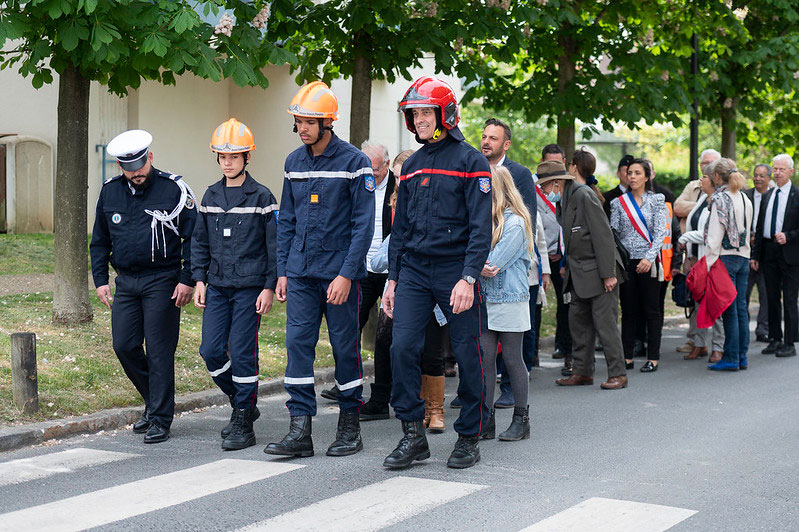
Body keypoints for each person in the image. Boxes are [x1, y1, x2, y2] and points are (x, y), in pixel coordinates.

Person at [382, 76, 491, 470]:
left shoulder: (471, 162)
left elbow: (481, 229)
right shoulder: (410, 165)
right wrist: (392, 279)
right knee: (401, 348)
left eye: (426, 112)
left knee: (465, 351)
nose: (420, 119)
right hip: (412, 270)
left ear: (445, 113)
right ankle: (413, 435)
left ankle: (469, 436)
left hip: (454, 270)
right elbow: (401, 228)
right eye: (415, 114)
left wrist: (468, 277)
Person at [264, 81, 375, 458]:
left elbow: (364, 225)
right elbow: (288, 220)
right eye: (299, 121)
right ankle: (300, 430)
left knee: (345, 349)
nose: (303, 128)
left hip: (339, 276)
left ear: (327, 122)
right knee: (297, 347)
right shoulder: (293, 162)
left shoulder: (355, 162)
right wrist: (282, 271)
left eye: (310, 121)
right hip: (300, 275)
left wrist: (346, 274)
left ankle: (349, 426)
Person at [90, 129, 197, 444]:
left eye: (139, 164)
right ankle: (155, 403)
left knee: (160, 351)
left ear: (150, 157)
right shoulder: (110, 192)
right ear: (120, 166)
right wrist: (100, 280)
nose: (136, 173)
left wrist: (188, 278)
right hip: (126, 280)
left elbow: (194, 237)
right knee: (123, 345)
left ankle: (160, 418)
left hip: (163, 279)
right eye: (128, 167)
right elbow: (99, 241)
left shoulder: (173, 189)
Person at [191, 118, 277, 450]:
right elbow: (199, 243)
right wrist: (199, 280)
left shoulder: (262, 197)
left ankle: (243, 419)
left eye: (235, 156)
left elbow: (274, 247)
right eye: (223, 157)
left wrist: (269, 286)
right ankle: (242, 401)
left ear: (246, 158)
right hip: (218, 287)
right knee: (210, 350)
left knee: (242, 353)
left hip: (250, 288)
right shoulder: (210, 196)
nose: (228, 162)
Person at [322, 140, 397, 422]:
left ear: (387, 165)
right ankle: (347, 384)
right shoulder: (353, 184)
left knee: (384, 336)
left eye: (375, 169)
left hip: (391, 271)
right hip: (361, 269)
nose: (370, 173)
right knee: (347, 328)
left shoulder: (399, 188)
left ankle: (380, 398)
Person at [540, 155, 627, 390]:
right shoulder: (565, 199)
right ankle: (582, 372)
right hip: (578, 272)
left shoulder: (582, 194)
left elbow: (603, 235)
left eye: (546, 186)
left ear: (557, 182)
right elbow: (575, 236)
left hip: (599, 271)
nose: (545, 191)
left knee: (605, 325)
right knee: (578, 322)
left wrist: (608, 273)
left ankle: (618, 374)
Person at [480, 118, 538, 408]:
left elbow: (492, 262)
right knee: (486, 358)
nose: (486, 141)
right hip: (486, 296)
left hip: (510, 293)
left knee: (513, 357)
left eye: (493, 137)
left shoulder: (515, 221)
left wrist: (474, 263)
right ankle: (486, 416)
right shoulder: (484, 218)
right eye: (484, 135)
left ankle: (520, 415)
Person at [610, 158, 667, 373]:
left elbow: (662, 231)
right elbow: (613, 233)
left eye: (637, 173)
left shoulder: (657, 200)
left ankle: (653, 356)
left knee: (651, 310)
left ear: (647, 176)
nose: (632, 177)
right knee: (629, 310)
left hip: (649, 262)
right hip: (627, 264)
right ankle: (627, 355)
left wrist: (648, 257)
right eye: (629, 173)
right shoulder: (618, 203)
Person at [704, 158, 753, 370]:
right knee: (741, 308)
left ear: (716, 176)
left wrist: (708, 264)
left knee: (729, 310)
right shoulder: (744, 198)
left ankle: (731, 357)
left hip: (725, 258)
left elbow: (714, 237)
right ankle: (741, 356)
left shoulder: (720, 199)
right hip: (743, 256)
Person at [752, 154, 799, 358]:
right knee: (770, 298)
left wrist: (788, 236)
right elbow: (760, 226)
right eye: (775, 169)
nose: (777, 172)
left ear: (791, 172)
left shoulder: (797, 195)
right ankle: (775, 338)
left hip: (790, 253)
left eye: (781, 169)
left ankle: (789, 342)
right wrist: (755, 255)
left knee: (789, 299)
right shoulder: (768, 196)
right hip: (768, 252)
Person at [678, 162, 725, 362]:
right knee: (698, 304)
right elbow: (691, 222)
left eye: (704, 177)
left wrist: (685, 238)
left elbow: (710, 234)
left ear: (713, 179)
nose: (700, 180)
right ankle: (699, 344)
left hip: (712, 260)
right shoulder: (701, 200)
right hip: (695, 260)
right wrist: (689, 255)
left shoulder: (718, 202)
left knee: (714, 305)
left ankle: (718, 346)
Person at [744, 164, 773, 343]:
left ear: (769, 178)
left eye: (762, 176)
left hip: (766, 254)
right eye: (755, 175)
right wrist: (749, 238)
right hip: (746, 251)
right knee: (743, 293)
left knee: (766, 293)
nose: (758, 179)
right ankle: (743, 327)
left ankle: (763, 329)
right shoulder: (745, 196)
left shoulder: (772, 197)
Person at [603, 154, 634, 219]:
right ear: (618, 174)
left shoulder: (642, 196)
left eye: (633, 172)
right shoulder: (607, 197)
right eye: (626, 171)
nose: (630, 175)